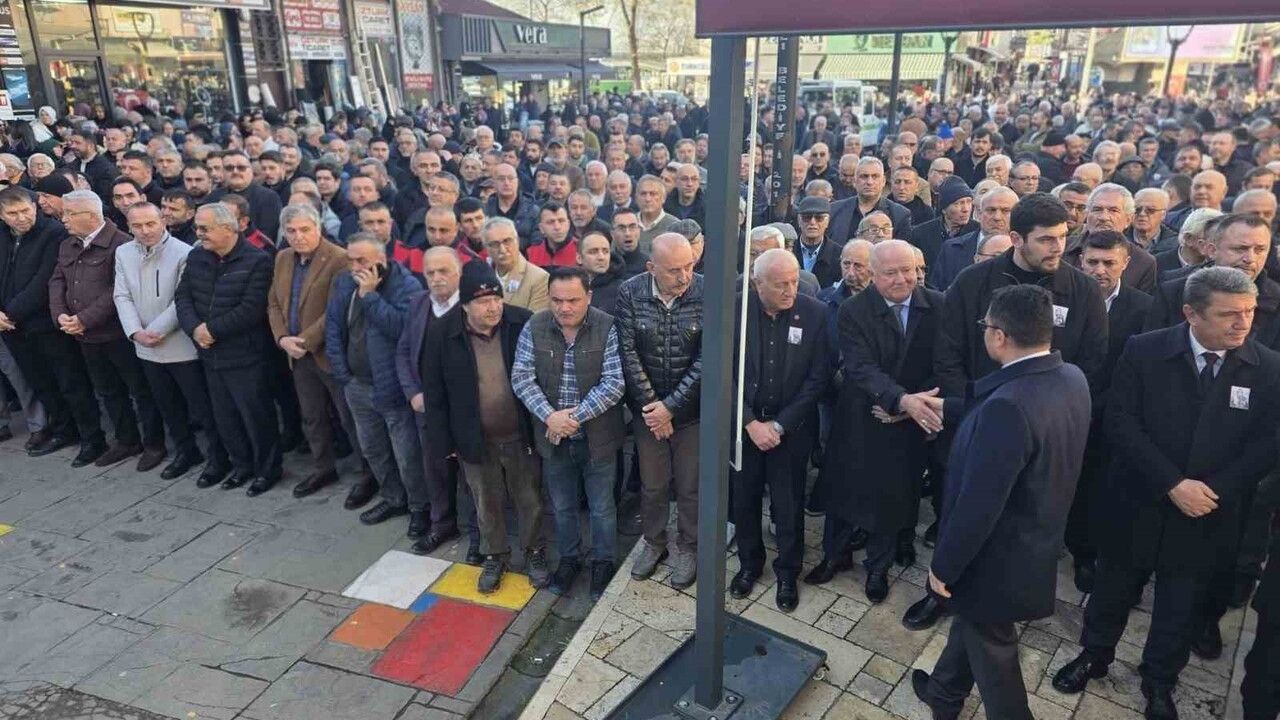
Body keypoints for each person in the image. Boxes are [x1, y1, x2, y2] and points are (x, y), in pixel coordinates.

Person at [1054, 267, 1280, 720]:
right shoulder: (1145, 351)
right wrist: (1172, 484)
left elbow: (1268, 444)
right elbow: (1120, 421)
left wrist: (1210, 491)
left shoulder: (1268, 369)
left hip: (1209, 514)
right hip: (1139, 502)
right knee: (1113, 591)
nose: (1244, 324)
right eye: (1230, 314)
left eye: (1250, 312)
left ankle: (1159, 681)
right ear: (1191, 314)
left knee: (1180, 606)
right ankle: (1095, 655)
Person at [910, 192, 1107, 631]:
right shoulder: (973, 283)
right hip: (972, 426)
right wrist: (978, 415)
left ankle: (1001, 611)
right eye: (1047, 240)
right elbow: (949, 355)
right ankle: (939, 594)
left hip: (1039, 438)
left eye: (1063, 237)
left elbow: (1090, 365)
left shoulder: (1084, 291)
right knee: (959, 512)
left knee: (1020, 527)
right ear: (1015, 238)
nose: (1059, 248)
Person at [913, 283, 1091, 720]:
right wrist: (945, 406)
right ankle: (943, 694)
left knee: (995, 652)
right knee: (974, 626)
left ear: (998, 336)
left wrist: (943, 566)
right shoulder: (1071, 377)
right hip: (1036, 539)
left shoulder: (1006, 408)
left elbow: (980, 504)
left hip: (994, 557)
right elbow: (1010, 415)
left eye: (986, 327)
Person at [829, 239, 945, 603]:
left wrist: (907, 407)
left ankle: (878, 568)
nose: (901, 280)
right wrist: (898, 399)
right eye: (890, 273)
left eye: (907, 270)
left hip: (909, 423)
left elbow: (943, 365)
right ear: (873, 275)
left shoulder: (938, 306)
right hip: (861, 417)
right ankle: (836, 556)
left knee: (894, 497)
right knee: (844, 488)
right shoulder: (853, 310)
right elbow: (860, 366)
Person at [422, 260, 548, 594]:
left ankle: (535, 551)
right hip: (475, 439)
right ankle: (495, 555)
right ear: (465, 305)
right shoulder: (442, 332)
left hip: (521, 434)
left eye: (495, 298)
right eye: (482, 302)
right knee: (485, 501)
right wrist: (443, 441)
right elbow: (434, 394)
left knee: (529, 498)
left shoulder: (520, 322)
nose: (492, 307)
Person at [511, 266, 625, 601]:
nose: (564, 308)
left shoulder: (608, 326)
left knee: (602, 507)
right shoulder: (535, 325)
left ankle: (604, 562)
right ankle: (570, 560)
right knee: (562, 507)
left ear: (589, 296)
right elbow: (521, 377)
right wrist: (550, 417)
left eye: (573, 300)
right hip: (553, 438)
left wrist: (572, 418)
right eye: (557, 300)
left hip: (597, 437)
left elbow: (614, 383)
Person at [729, 248, 829, 612]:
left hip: (792, 427)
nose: (790, 290)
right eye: (781, 284)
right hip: (745, 427)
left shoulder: (815, 313)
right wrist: (749, 422)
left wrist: (781, 424)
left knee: (788, 505)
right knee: (744, 500)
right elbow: (723, 372)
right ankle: (749, 565)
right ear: (758, 284)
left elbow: (818, 378)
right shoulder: (734, 310)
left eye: (794, 281)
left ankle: (788, 572)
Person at [268, 204, 376, 506]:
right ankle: (323, 467)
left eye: (305, 229)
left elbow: (336, 310)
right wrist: (281, 338)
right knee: (312, 415)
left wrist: (303, 340)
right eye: (291, 231)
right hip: (296, 353)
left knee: (349, 417)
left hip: (329, 353)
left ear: (318, 228)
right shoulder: (282, 258)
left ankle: (368, 473)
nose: (298, 236)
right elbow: (274, 303)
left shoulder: (339, 258)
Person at [50, 190, 166, 470]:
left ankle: (154, 443)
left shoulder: (121, 244)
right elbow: (56, 281)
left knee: (140, 390)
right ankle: (127, 440)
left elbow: (119, 290)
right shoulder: (68, 244)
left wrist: (85, 318)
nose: (63, 219)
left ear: (90, 215)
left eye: (69, 213)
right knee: (108, 390)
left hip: (117, 334)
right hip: (85, 337)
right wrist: (61, 316)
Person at [616, 232, 702, 589]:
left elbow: (707, 358)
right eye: (672, 271)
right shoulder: (630, 292)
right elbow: (628, 352)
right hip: (647, 412)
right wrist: (655, 409)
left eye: (688, 267)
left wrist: (672, 407)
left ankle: (689, 546)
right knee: (652, 485)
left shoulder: (706, 291)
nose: (683, 277)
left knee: (690, 485)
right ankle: (654, 542)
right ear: (651, 268)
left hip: (691, 412)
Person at [326, 232, 428, 532]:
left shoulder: (405, 285)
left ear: (381, 260)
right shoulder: (344, 283)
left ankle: (419, 507)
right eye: (351, 260)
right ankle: (394, 498)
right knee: (373, 449)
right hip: (356, 384)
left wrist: (370, 296)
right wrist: (343, 375)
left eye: (362, 261)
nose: (354, 266)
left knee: (406, 453)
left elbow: (401, 329)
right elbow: (333, 328)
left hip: (392, 387)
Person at [175, 202, 280, 495]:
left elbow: (251, 309)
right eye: (198, 227)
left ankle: (267, 470)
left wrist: (212, 330)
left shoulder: (257, 260)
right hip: (210, 354)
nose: (199, 233)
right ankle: (241, 465)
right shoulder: (197, 257)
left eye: (205, 228)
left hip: (245, 355)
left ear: (228, 228)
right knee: (225, 417)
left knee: (256, 416)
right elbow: (182, 296)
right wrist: (195, 328)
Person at [1069, 231, 1153, 593]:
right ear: (1080, 260)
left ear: (1126, 263)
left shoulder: (1144, 308)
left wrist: (1096, 406)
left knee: (1093, 485)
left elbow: (1139, 371)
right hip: (1063, 409)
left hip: (1108, 417)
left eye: (1108, 263)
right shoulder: (1061, 297)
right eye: (1092, 262)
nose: (1099, 270)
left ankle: (1084, 553)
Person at [114, 202, 222, 481]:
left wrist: (157, 330)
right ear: (128, 227)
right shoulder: (123, 252)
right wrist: (135, 331)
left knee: (201, 407)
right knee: (167, 404)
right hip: (145, 347)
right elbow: (122, 295)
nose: (145, 230)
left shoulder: (185, 253)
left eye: (150, 223)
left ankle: (218, 456)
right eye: (137, 226)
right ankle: (186, 451)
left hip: (180, 345)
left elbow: (182, 299)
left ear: (163, 220)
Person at [396, 247, 477, 560]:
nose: (437, 278)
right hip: (427, 410)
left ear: (459, 273)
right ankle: (442, 524)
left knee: (472, 478)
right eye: (430, 272)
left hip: (465, 412)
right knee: (435, 471)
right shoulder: (418, 304)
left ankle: (478, 534)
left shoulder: (472, 307)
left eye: (444, 271)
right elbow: (403, 352)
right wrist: (413, 393)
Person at [0, 187, 81, 458]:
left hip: (44, 322)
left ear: (35, 206)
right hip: (13, 328)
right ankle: (60, 428)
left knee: (66, 379)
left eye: (25, 210)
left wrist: (8, 314)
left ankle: (80, 430)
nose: (21, 218)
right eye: (13, 213)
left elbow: (43, 281)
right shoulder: (3, 235)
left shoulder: (53, 233)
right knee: (39, 381)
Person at [930, 187, 1017, 290]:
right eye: (991, 210)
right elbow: (937, 292)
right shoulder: (951, 249)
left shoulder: (1025, 250)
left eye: (1005, 211)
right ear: (978, 213)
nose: (997, 217)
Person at [829, 157, 912, 243]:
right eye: (864, 176)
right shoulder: (834, 210)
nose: (869, 182)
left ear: (883, 181)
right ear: (854, 181)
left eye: (875, 176)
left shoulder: (900, 215)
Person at [206, 150, 283, 240]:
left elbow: (266, 237)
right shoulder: (213, 196)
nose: (235, 171)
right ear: (223, 172)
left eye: (241, 167)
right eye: (229, 168)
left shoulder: (269, 197)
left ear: (250, 170)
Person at [910, 176, 976, 268]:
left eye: (968, 202)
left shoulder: (978, 232)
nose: (966, 209)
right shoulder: (920, 234)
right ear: (944, 209)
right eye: (958, 203)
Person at [578, 231, 625, 315]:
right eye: (593, 252)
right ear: (579, 258)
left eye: (605, 251)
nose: (601, 257)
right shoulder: (569, 285)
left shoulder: (623, 290)